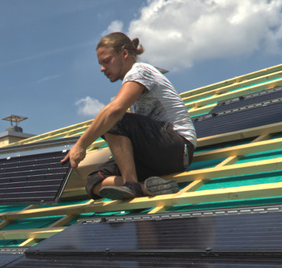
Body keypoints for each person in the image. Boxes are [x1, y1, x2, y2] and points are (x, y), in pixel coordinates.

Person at [62, 32, 197, 200]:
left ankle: (131, 185)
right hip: (154, 157)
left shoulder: (141, 70)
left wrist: (81, 145)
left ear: (124, 54)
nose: (102, 69)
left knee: (114, 118)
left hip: (178, 149)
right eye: (100, 64)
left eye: (106, 61)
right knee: (93, 179)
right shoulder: (132, 78)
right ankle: (144, 188)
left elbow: (114, 111)